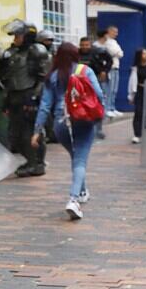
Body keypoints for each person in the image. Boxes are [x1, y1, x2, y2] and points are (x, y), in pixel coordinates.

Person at [31, 42, 104, 220]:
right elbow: (99, 94)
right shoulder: (85, 70)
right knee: (80, 159)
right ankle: (73, 199)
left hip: (60, 123)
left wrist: (37, 130)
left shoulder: (53, 76)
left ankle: (82, 190)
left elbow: (45, 105)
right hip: (83, 120)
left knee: (75, 156)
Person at [0, 19, 51, 177]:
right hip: (14, 96)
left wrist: (34, 97)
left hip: (29, 95)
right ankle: (29, 160)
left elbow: (43, 78)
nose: (15, 39)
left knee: (29, 133)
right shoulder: (12, 52)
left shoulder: (37, 51)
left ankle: (37, 163)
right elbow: (7, 76)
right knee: (14, 134)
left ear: (27, 36)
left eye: (18, 36)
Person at [80, 36, 112, 140]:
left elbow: (109, 60)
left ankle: (98, 130)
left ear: (90, 45)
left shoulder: (97, 52)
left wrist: (104, 71)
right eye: (82, 45)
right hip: (79, 84)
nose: (84, 47)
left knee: (97, 106)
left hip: (95, 83)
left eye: (87, 45)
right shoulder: (77, 54)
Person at [128, 48, 146, 144]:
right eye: (144, 53)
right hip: (139, 91)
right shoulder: (135, 68)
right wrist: (131, 96)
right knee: (138, 112)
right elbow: (131, 83)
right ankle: (137, 134)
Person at [101, 26, 124, 117]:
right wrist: (118, 52)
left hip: (116, 67)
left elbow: (121, 53)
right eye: (115, 32)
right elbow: (113, 52)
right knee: (108, 89)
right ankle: (107, 109)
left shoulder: (114, 42)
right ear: (109, 31)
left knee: (114, 89)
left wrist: (118, 52)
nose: (116, 34)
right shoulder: (107, 42)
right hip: (110, 68)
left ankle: (112, 107)